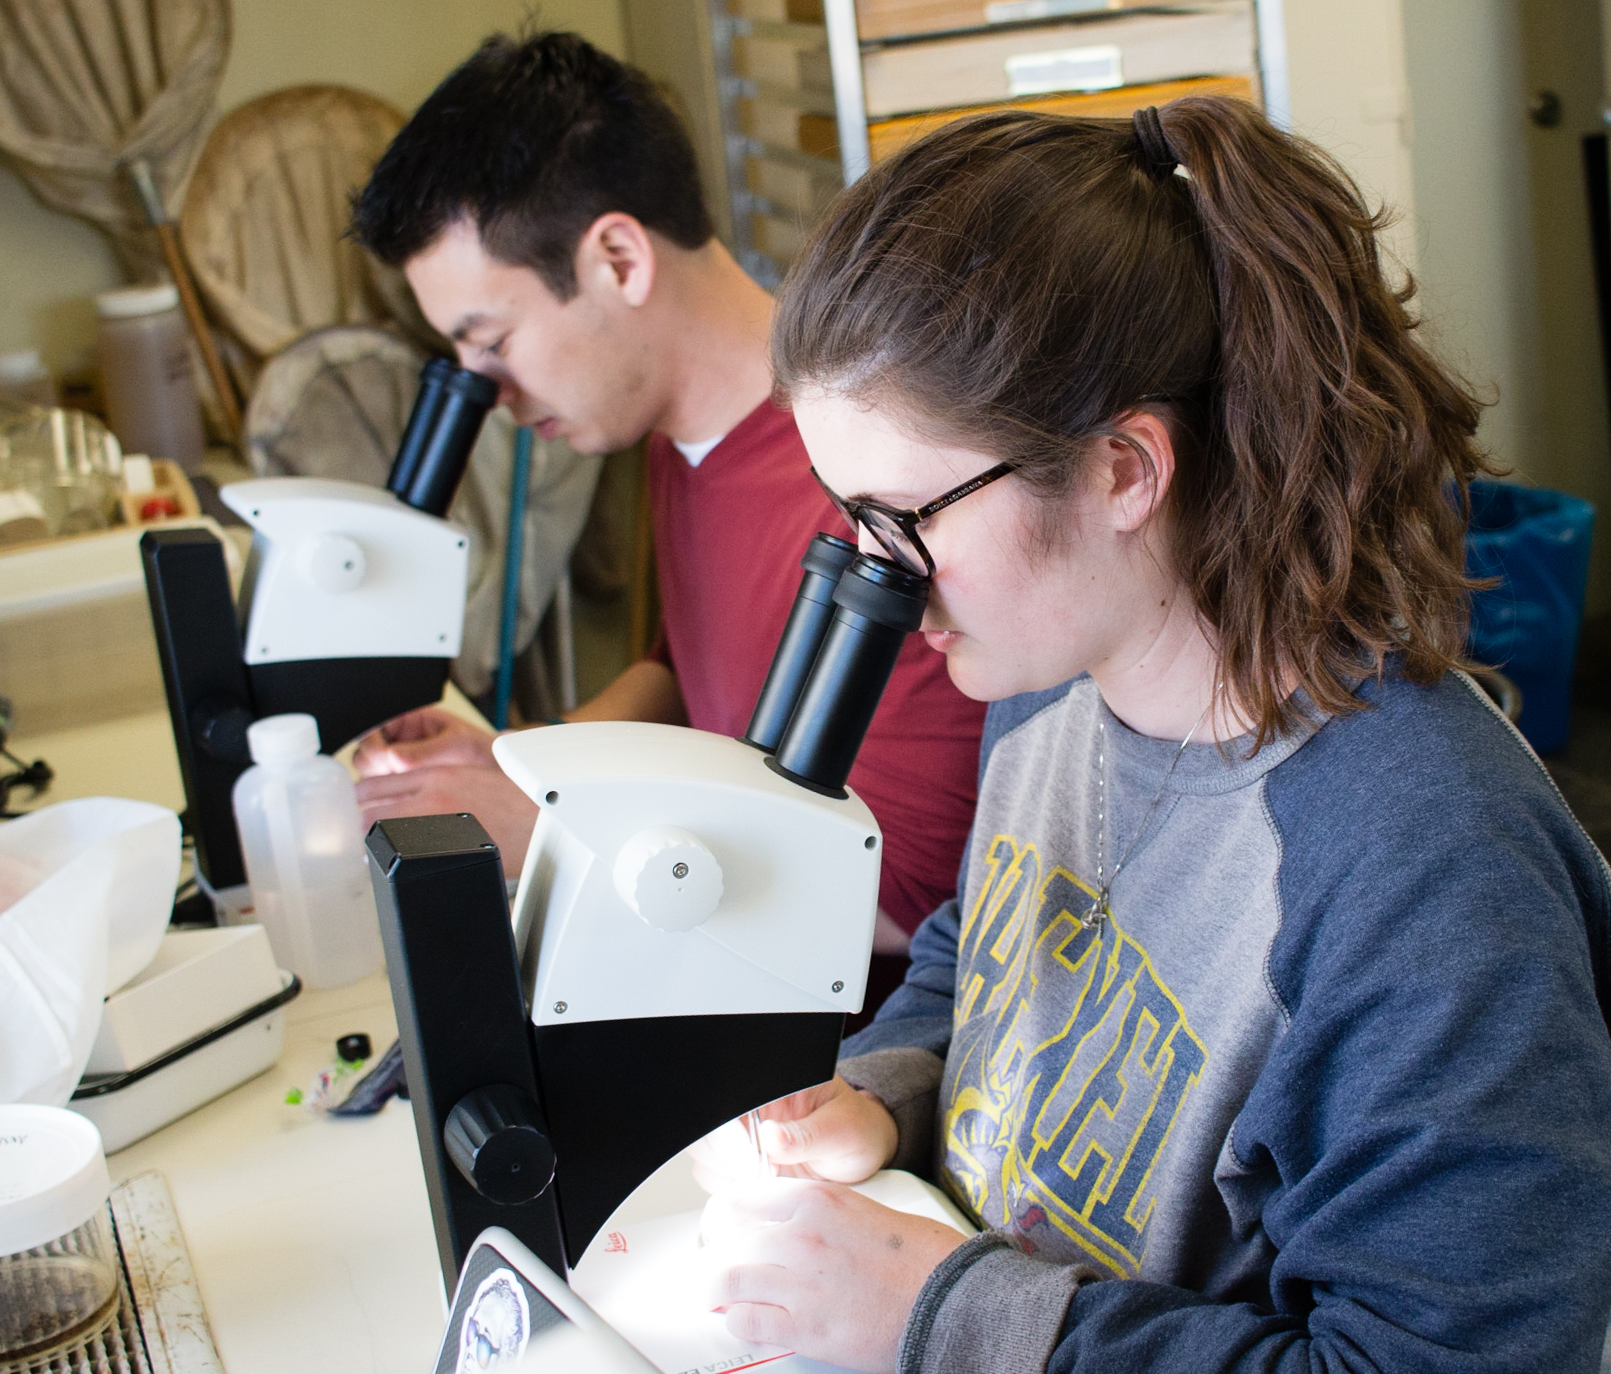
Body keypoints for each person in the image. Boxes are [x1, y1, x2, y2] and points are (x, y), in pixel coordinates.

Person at [687, 99, 1611, 1372]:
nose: (879, 584)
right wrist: (883, 1093)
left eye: (901, 517)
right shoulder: (1053, 678)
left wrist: (937, 1314)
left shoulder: (1432, 877)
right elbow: (991, 943)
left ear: (1124, 469)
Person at [347, 32, 983, 957]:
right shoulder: (677, 438)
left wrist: (556, 833)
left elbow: (912, 900)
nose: (492, 394)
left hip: (827, 1057)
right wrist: (528, 764)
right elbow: (695, 679)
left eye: (492, 342)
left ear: (616, 259)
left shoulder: (875, 489)